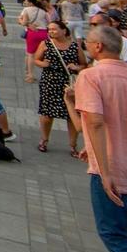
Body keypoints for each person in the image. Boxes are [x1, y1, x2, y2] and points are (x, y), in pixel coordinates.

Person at [67, 25, 127, 252]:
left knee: (113, 234)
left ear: (96, 48)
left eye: (88, 44)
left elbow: (91, 124)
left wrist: (104, 168)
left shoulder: (91, 76)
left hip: (112, 170)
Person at [35, 19, 87, 155]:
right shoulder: (46, 44)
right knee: (47, 113)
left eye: (54, 29)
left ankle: (73, 145)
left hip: (69, 83)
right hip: (49, 81)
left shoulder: (75, 46)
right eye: (49, 29)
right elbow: (36, 59)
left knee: (71, 115)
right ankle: (44, 140)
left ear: (64, 30)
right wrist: (43, 64)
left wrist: (76, 67)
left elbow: (84, 64)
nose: (51, 31)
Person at [19, 0, 49, 83]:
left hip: (33, 34)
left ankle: (30, 75)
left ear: (30, 2)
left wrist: (28, 24)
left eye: (26, 1)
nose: (25, 2)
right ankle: (47, 74)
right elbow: (49, 22)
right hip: (44, 33)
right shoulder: (43, 11)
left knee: (30, 55)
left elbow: (23, 22)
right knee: (44, 54)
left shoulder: (26, 10)